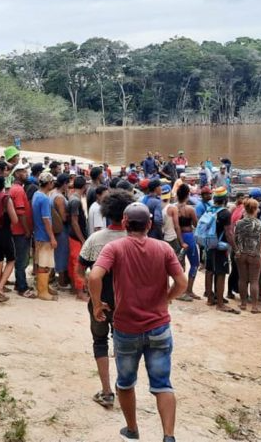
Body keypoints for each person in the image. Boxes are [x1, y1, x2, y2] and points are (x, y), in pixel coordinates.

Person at [88, 202, 187, 442]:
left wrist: (98, 303)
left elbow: (94, 275)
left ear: (124, 223)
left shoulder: (115, 248)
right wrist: (166, 299)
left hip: (126, 329)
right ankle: (169, 436)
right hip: (159, 327)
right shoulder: (163, 248)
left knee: (125, 383)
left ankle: (132, 430)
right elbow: (182, 283)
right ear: (150, 225)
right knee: (163, 384)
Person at [76, 189, 132, 409]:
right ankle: (123, 387)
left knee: (100, 342)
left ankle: (107, 392)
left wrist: (91, 287)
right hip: (126, 302)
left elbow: (81, 270)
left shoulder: (95, 239)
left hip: (99, 300)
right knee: (123, 344)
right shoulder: (134, 240)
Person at [204, 186, 235, 313]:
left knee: (209, 270)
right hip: (220, 246)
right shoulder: (225, 213)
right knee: (221, 273)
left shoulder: (210, 209)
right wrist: (235, 247)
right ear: (225, 199)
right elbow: (228, 233)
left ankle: (210, 298)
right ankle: (220, 303)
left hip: (209, 244)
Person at [234, 198, 261, 314]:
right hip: (255, 254)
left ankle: (243, 303)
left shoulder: (239, 223)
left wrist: (237, 250)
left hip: (241, 253)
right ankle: (254, 306)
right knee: (254, 281)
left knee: (242, 279)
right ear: (255, 209)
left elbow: (235, 238)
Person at [32, 172, 59, 301]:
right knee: (45, 263)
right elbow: (46, 219)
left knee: (41, 262)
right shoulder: (44, 199)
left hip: (38, 233)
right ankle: (42, 291)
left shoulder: (36, 195)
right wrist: (52, 237)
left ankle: (43, 287)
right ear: (48, 183)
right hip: (44, 235)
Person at [9, 162, 33, 297]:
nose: (26, 173)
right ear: (17, 174)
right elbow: (21, 212)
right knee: (21, 259)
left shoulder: (16, 188)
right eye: (23, 171)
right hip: (20, 231)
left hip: (17, 230)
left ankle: (19, 283)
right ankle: (22, 288)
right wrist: (27, 229)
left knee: (21, 258)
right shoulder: (18, 190)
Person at [174, 184, 200, 301]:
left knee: (179, 264)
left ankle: (179, 289)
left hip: (176, 236)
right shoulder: (190, 209)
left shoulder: (173, 208)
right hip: (188, 235)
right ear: (187, 195)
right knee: (194, 263)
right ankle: (189, 290)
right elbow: (195, 224)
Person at [68, 175, 89, 300]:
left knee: (72, 262)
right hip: (76, 237)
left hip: (72, 236)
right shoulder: (75, 200)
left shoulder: (72, 197)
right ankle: (79, 292)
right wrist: (82, 239)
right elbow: (75, 221)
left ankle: (74, 287)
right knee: (77, 263)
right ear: (84, 187)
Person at [160, 185, 183, 262]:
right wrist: (182, 242)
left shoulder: (159, 206)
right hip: (172, 238)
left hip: (163, 238)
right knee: (177, 261)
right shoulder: (172, 208)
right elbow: (176, 226)